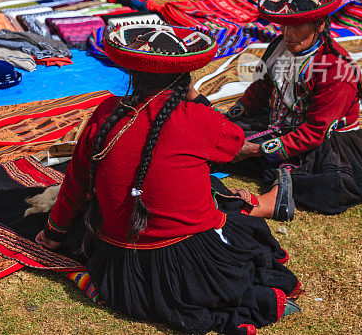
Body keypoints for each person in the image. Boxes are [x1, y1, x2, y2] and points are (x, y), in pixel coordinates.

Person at [35, 23, 302, 335]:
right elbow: (234, 139)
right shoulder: (196, 117)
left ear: (134, 72)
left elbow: (76, 182)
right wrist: (198, 99)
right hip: (184, 263)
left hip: (117, 269)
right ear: (184, 77)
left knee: (210, 195)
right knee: (236, 219)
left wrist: (54, 233)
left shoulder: (106, 111)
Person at [224, 0, 362, 218]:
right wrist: (229, 118)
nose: (287, 33)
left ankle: (275, 200)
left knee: (318, 174)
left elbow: (316, 132)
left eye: (297, 26)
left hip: (326, 140)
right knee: (223, 139)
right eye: (283, 25)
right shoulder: (279, 47)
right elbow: (261, 90)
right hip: (281, 124)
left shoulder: (336, 70)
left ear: (319, 24)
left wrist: (254, 149)